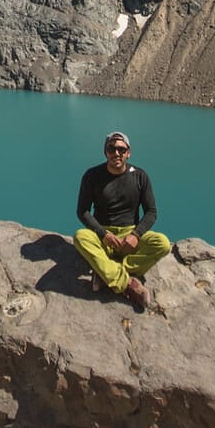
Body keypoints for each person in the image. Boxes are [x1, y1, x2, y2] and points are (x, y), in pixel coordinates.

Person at [73, 130, 171, 310]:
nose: (116, 153)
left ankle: (106, 272)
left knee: (163, 244)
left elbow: (151, 212)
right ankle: (126, 283)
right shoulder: (92, 175)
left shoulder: (140, 176)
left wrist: (135, 234)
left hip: (129, 236)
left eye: (121, 149)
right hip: (103, 235)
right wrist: (103, 234)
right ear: (105, 152)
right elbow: (83, 211)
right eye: (111, 148)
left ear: (128, 152)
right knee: (80, 237)